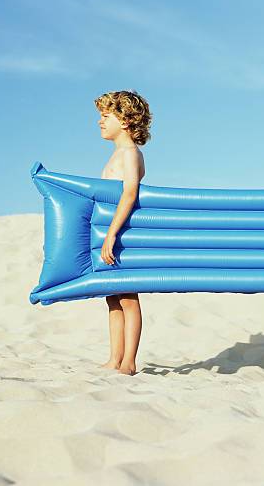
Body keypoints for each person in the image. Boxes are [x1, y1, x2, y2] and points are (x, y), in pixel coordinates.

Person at [94, 90, 152, 375]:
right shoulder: (117, 154)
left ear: (126, 120)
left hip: (124, 234)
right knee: (113, 296)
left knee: (128, 297)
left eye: (106, 116)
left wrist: (112, 234)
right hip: (112, 233)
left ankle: (128, 361)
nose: (100, 122)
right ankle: (114, 358)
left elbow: (129, 194)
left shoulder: (130, 153)